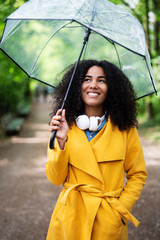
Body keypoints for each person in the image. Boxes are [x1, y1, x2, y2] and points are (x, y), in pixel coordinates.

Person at [46, 60, 147, 240]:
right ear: (77, 85)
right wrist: (60, 141)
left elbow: (137, 174)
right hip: (70, 218)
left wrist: (120, 211)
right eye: (87, 79)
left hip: (107, 220)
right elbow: (55, 178)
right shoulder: (63, 126)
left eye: (101, 80)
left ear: (112, 88)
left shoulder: (125, 128)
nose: (93, 85)